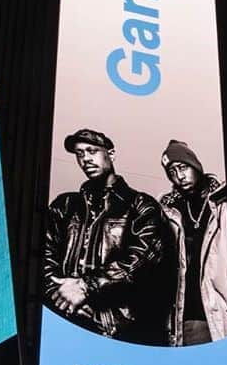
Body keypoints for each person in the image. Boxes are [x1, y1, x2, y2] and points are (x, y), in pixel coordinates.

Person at [44, 128, 173, 345]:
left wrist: (86, 287)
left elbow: (144, 258)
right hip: (64, 324)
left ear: (110, 154)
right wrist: (62, 298)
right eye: (79, 153)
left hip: (123, 331)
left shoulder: (140, 205)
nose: (85, 158)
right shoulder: (65, 205)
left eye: (91, 151)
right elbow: (43, 255)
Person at [159, 140, 227, 345]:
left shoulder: (223, 202)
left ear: (195, 166)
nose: (179, 176)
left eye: (182, 168)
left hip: (221, 307)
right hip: (184, 316)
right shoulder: (168, 212)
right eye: (172, 172)